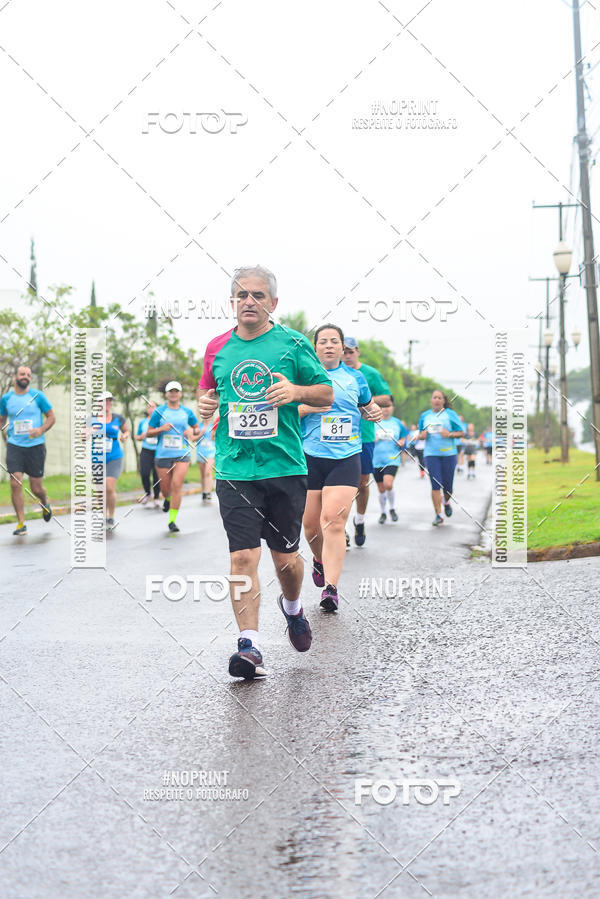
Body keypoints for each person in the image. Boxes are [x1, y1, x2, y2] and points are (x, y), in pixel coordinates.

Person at [197, 264, 333, 680]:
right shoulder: (217, 347)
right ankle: (250, 645)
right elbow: (208, 392)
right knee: (241, 557)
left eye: (257, 296)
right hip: (235, 468)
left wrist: (295, 391)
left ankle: (292, 609)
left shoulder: (292, 344)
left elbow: (325, 393)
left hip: (284, 467)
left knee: (286, 559)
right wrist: (203, 405)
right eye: (241, 296)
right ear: (232, 302)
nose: (248, 302)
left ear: (273, 302)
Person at [300, 324, 382, 611]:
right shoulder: (305, 377)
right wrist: (310, 408)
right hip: (309, 456)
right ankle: (319, 560)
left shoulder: (355, 377)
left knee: (333, 520)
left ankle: (331, 589)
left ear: (342, 347)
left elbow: (368, 407)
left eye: (335, 341)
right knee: (310, 526)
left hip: (346, 456)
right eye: (323, 341)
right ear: (316, 347)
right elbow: (286, 412)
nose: (330, 346)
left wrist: (374, 412)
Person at [342, 336, 391, 546]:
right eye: (343, 351)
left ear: (357, 352)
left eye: (350, 351)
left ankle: (359, 520)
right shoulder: (330, 373)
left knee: (362, 483)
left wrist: (363, 397)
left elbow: (387, 399)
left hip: (364, 436)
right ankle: (340, 528)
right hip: (337, 437)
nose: (346, 355)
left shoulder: (369, 374)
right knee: (340, 485)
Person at [0, 364, 55, 536]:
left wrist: (41, 430)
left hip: (35, 446)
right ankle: (21, 523)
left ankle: (45, 503)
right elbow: (1, 419)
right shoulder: (6, 398)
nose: (26, 377)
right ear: (15, 377)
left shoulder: (38, 396)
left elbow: (51, 417)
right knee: (15, 482)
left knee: (36, 488)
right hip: (15, 446)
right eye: (22, 374)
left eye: (28, 375)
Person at [146, 381, 199, 533]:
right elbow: (149, 432)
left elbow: (196, 429)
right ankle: (167, 499)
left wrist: (191, 432)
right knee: (166, 489)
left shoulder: (187, 412)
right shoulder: (159, 411)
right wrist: (161, 429)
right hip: (163, 455)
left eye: (176, 391)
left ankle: (172, 521)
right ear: (166, 394)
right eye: (171, 391)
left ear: (180, 394)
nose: (173, 394)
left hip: (182, 453)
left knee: (177, 486)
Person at [417, 390, 465, 526]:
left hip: (449, 454)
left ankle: (446, 501)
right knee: (435, 484)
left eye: (439, 398)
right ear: (431, 400)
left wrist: (449, 434)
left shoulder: (450, 414)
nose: (437, 400)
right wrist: (422, 435)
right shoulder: (425, 416)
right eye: (434, 397)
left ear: (443, 401)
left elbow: (462, 432)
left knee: (448, 487)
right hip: (431, 454)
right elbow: (420, 433)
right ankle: (438, 514)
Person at [90, 391, 129, 530]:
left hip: (114, 455)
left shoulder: (118, 418)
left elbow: (126, 431)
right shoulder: (92, 418)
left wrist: (125, 436)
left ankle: (110, 516)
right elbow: (83, 436)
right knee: (100, 489)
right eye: (104, 401)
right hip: (97, 457)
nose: (107, 403)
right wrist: (90, 431)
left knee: (109, 486)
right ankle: (102, 515)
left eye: (109, 401)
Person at [372, 400, 408, 524]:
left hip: (392, 459)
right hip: (376, 460)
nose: (385, 409)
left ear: (392, 408)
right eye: (382, 406)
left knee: (388, 484)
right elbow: (367, 438)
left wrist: (402, 442)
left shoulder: (397, 423)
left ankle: (392, 508)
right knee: (381, 488)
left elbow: (404, 437)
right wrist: (373, 439)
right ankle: (383, 512)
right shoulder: (373, 422)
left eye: (388, 406)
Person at [136, 400, 161, 507]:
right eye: (149, 407)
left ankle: (156, 497)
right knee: (144, 473)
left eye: (153, 406)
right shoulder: (143, 422)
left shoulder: (160, 421)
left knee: (157, 475)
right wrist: (140, 437)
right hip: (146, 450)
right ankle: (147, 493)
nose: (151, 409)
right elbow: (137, 436)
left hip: (158, 451)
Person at [196, 416, 217, 502]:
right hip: (201, 451)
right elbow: (194, 439)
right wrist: (202, 432)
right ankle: (204, 491)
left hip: (211, 451)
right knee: (202, 474)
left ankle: (208, 492)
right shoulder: (198, 426)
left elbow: (215, 437)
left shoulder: (213, 425)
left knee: (208, 472)